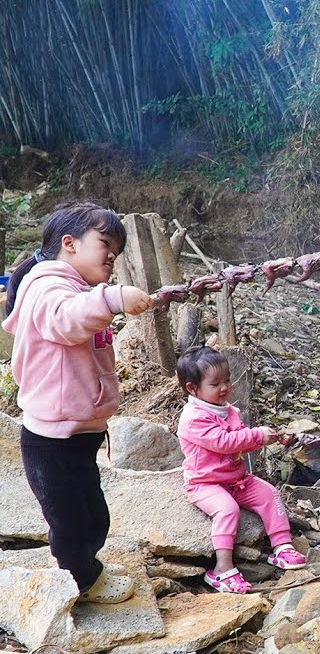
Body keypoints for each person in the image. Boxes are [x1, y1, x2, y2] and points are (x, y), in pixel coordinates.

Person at [1, 202, 153, 604]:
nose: (110, 256)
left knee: (91, 513)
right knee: (71, 521)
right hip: (53, 439)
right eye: (104, 243)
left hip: (79, 433)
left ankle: (89, 568)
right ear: (69, 243)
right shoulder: (48, 286)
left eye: (116, 252)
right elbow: (65, 320)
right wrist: (112, 298)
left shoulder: (75, 290)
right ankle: (81, 581)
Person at [176, 345, 307, 593]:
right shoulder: (194, 418)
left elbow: (240, 443)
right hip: (205, 484)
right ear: (193, 388)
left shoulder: (228, 411)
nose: (224, 388)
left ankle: (282, 546)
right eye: (215, 384)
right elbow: (224, 443)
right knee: (227, 510)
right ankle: (222, 569)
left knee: (270, 494)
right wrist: (257, 435)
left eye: (227, 380)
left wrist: (266, 437)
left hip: (237, 479)